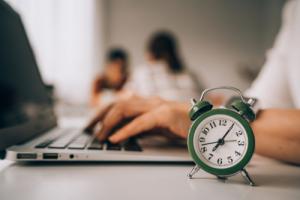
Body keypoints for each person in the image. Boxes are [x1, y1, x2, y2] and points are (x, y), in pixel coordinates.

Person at [85, 1, 300, 165]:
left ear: (149, 54)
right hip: (196, 138)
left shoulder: (142, 73)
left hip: (203, 138)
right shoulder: (293, 10)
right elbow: (257, 105)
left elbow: (123, 100)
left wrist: (203, 120)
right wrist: (216, 112)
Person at [125, 31, 203, 102]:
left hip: (160, 112)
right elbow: (205, 96)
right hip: (195, 112)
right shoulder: (190, 75)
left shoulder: (142, 72)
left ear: (150, 53)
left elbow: (128, 95)